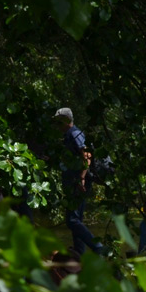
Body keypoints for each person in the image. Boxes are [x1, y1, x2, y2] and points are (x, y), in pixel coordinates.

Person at [54, 108, 102, 254]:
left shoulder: (74, 133)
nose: (57, 123)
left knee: (72, 221)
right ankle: (79, 252)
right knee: (76, 220)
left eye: (59, 120)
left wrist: (81, 178)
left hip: (78, 183)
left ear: (67, 120)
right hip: (74, 183)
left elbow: (86, 155)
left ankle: (98, 248)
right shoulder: (68, 135)